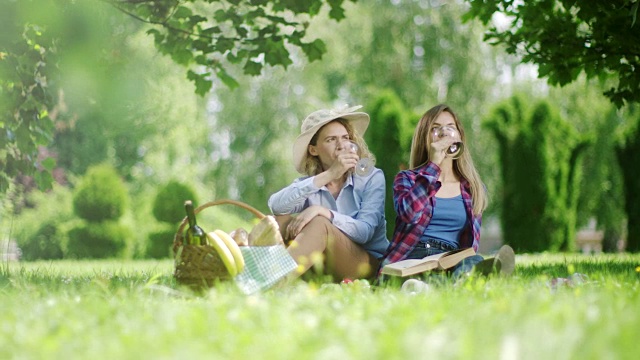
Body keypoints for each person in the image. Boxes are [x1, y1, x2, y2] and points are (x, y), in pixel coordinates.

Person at [380, 104, 514, 279]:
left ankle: (469, 276)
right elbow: (409, 214)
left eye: (450, 127)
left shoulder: (472, 188)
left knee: (473, 260)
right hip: (414, 257)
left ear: (459, 136)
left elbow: (470, 246)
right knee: (431, 278)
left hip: (451, 259)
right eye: (435, 129)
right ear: (424, 139)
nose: (444, 133)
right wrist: (433, 167)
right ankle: (444, 282)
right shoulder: (407, 179)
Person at [268, 105, 389, 281]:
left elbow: (365, 232)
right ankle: (247, 272)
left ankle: (272, 282)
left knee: (319, 223)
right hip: (323, 262)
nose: (342, 145)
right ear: (313, 150)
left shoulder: (372, 177)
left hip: (365, 265)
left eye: (346, 138)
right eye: (331, 140)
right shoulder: (312, 184)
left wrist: (323, 212)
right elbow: (276, 206)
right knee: (279, 221)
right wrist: (330, 174)